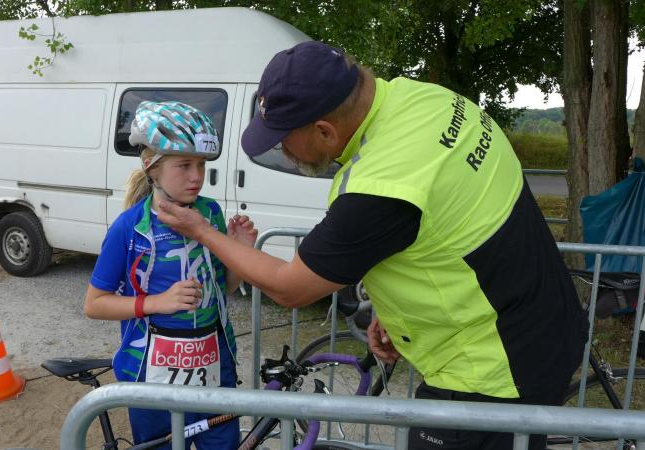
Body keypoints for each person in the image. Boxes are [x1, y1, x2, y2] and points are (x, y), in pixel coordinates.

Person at [157, 41, 589, 450]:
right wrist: (402, 313)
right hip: (544, 328)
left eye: (283, 138)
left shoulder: (382, 183)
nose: (282, 150)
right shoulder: (428, 101)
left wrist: (203, 231)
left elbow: (290, 286)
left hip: (491, 375)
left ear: (325, 130)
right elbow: (449, 224)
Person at [84, 101, 257, 449]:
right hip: (151, 373)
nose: (197, 176)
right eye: (184, 165)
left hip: (213, 365)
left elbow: (221, 288)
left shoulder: (210, 213)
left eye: (201, 165)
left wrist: (239, 252)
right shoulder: (129, 227)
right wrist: (157, 302)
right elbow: (95, 304)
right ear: (152, 167)